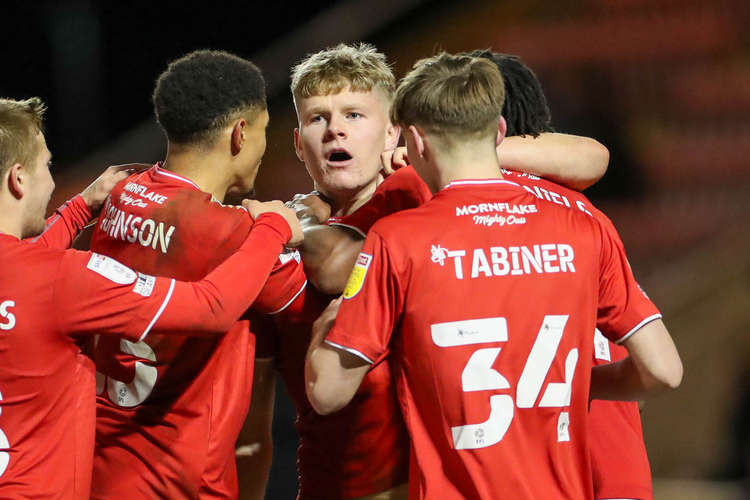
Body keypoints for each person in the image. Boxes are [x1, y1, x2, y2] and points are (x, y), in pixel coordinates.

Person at [240, 43, 611, 500]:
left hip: (435, 482)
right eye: (317, 118)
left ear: (396, 132)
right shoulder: (272, 245)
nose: (335, 130)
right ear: (298, 143)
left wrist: (465, 141)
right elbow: (251, 424)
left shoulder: (424, 191)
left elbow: (591, 157)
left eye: (354, 115)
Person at [305, 53, 682, 499]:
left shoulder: (404, 224)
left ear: (416, 141)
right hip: (601, 476)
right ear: (498, 130)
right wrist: (581, 381)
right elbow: (665, 371)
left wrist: (324, 320)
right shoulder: (584, 219)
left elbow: (327, 390)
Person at [0, 96, 302, 499]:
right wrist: (271, 228)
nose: (52, 181)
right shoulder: (62, 277)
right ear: (18, 178)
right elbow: (209, 307)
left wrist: (77, 209)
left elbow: (22, 267)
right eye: (46, 166)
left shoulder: (35, 274)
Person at [88, 50, 308, 500]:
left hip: (101, 470)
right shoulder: (235, 235)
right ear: (241, 133)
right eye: (266, 132)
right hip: (182, 484)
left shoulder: (121, 194)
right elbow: (323, 310)